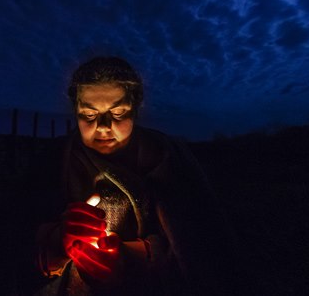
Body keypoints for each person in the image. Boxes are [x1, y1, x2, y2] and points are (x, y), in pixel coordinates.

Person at [30, 56, 245, 295]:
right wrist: (59, 241)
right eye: (89, 115)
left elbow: (204, 248)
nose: (103, 126)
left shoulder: (166, 157)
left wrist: (132, 258)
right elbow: (11, 244)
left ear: (136, 106)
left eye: (119, 112)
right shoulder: (55, 159)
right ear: (75, 109)